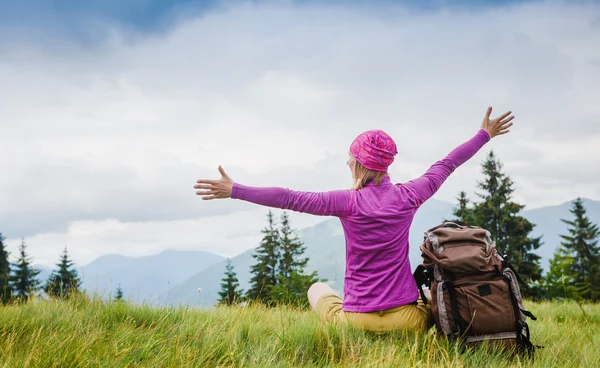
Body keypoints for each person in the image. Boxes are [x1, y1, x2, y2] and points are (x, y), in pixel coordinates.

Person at [193, 107, 514, 334]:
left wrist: (235, 190)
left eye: (351, 157)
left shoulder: (346, 202)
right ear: (386, 166)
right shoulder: (410, 195)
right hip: (408, 323)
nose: (347, 161)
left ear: (359, 164)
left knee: (317, 289)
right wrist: (484, 134)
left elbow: (287, 197)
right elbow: (447, 164)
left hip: (356, 321)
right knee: (434, 294)